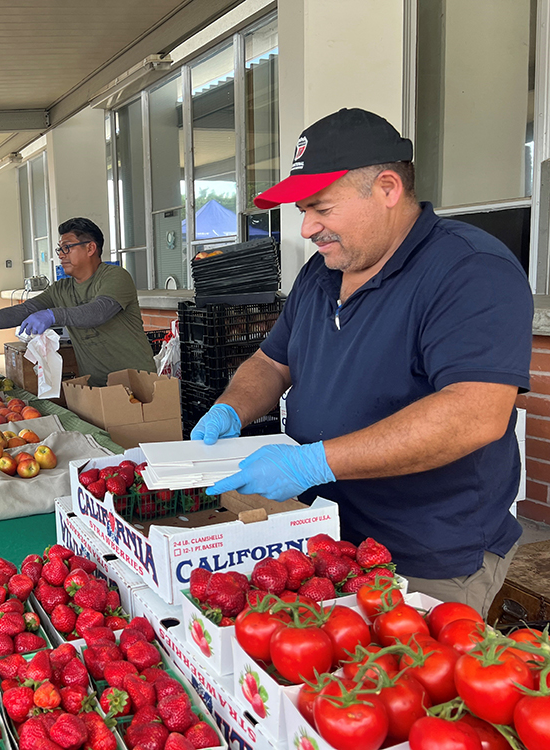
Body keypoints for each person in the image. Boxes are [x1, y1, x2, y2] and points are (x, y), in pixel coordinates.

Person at [192, 108, 533, 615]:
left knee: (395, 688)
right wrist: (230, 410)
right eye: (304, 210)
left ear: (388, 188)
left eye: (321, 208)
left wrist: (314, 461)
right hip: (322, 537)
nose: (307, 227)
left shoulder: (469, 270)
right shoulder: (322, 272)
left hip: (423, 557)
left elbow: (474, 413)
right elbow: (271, 361)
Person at [0, 217, 155, 387]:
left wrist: (53, 315)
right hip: (96, 385)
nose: (61, 256)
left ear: (91, 248)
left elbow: (99, 312)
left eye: (67, 248)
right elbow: (23, 310)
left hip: (138, 382)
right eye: (60, 250)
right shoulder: (61, 289)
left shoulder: (115, 277)